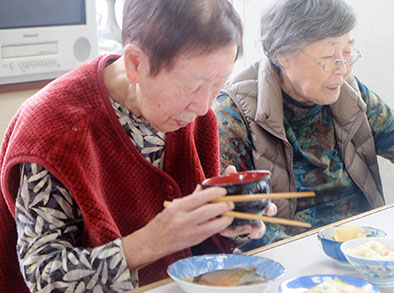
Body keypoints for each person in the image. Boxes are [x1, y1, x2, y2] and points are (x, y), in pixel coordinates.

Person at [0, 1, 274, 291]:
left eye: (219, 84)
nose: (205, 105)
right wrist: (154, 241)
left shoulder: (193, 115)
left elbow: (198, 253)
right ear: (135, 64)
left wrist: (228, 223)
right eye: (192, 87)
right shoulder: (53, 133)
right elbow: (43, 276)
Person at [214, 0, 394, 250]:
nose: (342, 69)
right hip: (289, 259)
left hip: (364, 248)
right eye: (329, 56)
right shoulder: (234, 112)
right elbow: (240, 220)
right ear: (283, 55)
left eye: (348, 52)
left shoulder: (350, 92)